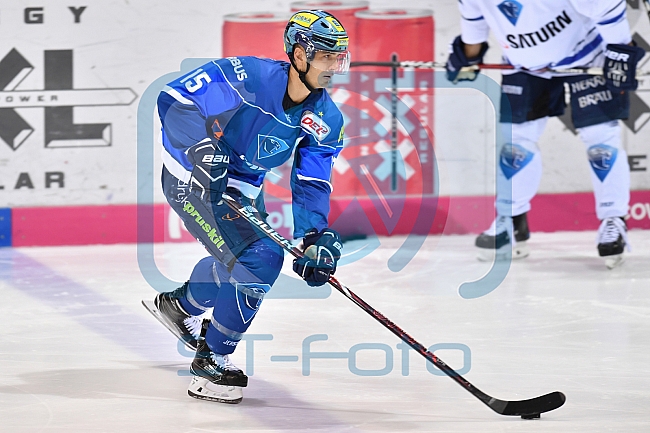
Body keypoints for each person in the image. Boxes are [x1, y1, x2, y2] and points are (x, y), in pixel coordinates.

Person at [148, 10, 349, 403]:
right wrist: (200, 148)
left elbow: (311, 182)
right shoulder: (247, 77)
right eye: (326, 56)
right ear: (299, 54)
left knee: (242, 259)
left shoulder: (326, 118)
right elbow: (173, 99)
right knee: (260, 256)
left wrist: (315, 235)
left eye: (338, 58)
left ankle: (180, 305)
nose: (333, 67)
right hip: (192, 178)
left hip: (237, 192)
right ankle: (211, 365)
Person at [445, 0, 645, 268]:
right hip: (523, 66)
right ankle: (511, 220)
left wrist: (620, 51)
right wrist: (467, 58)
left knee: (600, 139)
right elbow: (475, 25)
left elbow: (605, 8)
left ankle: (613, 220)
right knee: (515, 143)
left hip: (586, 57)